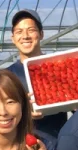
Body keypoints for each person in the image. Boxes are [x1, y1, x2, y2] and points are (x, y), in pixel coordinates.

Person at [5, 9, 68, 140]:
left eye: (31, 30)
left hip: (56, 144)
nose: (25, 36)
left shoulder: (57, 68)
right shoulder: (7, 76)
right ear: (13, 39)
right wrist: (23, 111)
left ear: (41, 34)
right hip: (19, 147)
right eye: (19, 32)